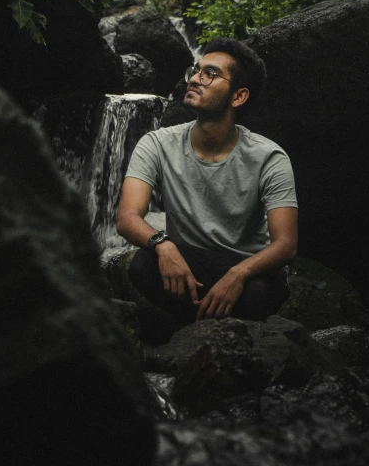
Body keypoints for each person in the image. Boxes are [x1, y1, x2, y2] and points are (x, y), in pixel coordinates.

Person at [116, 37, 298, 323]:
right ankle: (201, 327)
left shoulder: (269, 157)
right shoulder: (157, 144)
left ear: (238, 96)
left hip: (247, 267)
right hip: (192, 261)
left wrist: (239, 274)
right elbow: (127, 217)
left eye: (209, 74)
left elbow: (286, 244)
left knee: (257, 295)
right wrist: (163, 244)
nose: (194, 79)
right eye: (196, 70)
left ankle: (198, 329)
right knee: (143, 265)